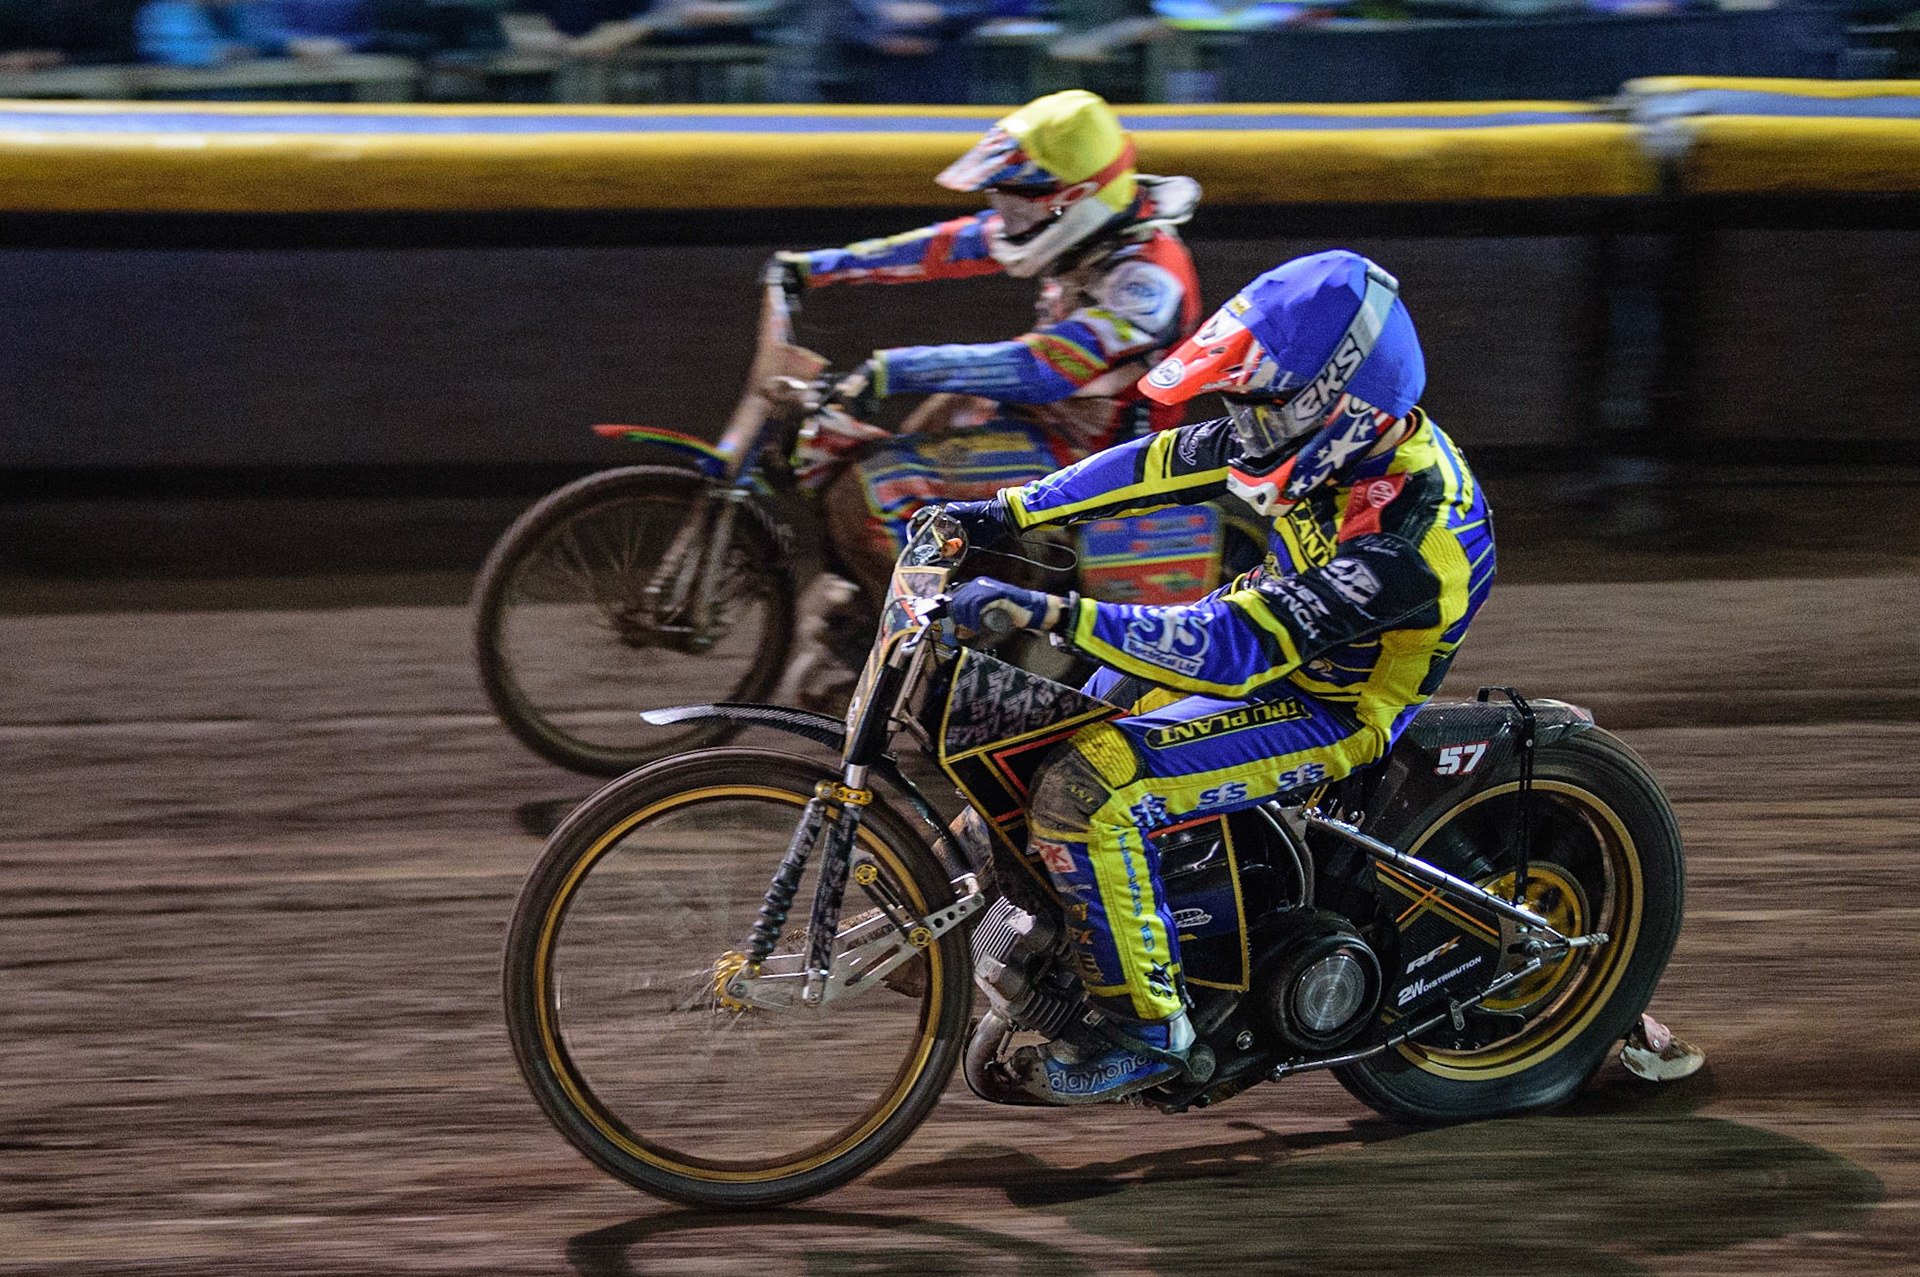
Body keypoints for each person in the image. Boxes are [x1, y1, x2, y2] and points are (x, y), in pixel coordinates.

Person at [939, 249, 1496, 1103]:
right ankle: (1009, 929)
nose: (1242, 422)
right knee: (1039, 728)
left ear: (1336, 404)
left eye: (1258, 403)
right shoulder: (1314, 442)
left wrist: (1052, 615)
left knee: (1086, 789)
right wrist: (1008, 512)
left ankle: (1150, 1028)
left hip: (1325, 707)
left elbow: (1232, 648)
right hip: (1263, 639)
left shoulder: (1414, 538)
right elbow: (1155, 462)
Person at [774, 88, 1202, 606]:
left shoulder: (1148, 280)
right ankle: (942, 588)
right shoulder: (1088, 229)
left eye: (1016, 190)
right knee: (927, 423)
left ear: (1075, 196)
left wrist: (893, 370)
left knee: (874, 485)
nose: (999, 204)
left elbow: (1043, 368)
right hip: (1042, 419)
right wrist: (814, 268)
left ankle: (932, 647)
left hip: (1103, 455)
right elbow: (945, 246)